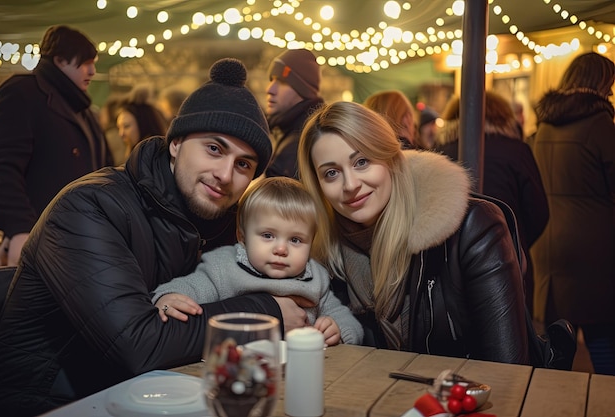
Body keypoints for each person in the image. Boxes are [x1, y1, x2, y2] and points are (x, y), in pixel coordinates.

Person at [0, 58, 308, 417]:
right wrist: (267, 313)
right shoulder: (90, 206)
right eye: (214, 149)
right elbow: (137, 344)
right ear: (175, 144)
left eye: (243, 164)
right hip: (50, 401)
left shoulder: (217, 219)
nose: (224, 174)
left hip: (157, 393)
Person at [297, 101, 530, 364]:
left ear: (389, 157)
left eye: (362, 161)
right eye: (331, 173)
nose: (350, 185)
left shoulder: (472, 226)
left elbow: (509, 367)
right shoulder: (326, 253)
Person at [152, 176, 363, 346]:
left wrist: (338, 329)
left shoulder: (315, 277)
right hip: (241, 369)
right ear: (242, 237)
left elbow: (344, 317)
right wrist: (169, 296)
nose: (281, 249)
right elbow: (190, 287)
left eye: (296, 240)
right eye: (268, 236)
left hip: (303, 370)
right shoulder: (224, 268)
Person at [0, 25, 113, 267]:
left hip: (86, 241)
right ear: (59, 60)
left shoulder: (85, 112)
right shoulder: (23, 93)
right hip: (41, 240)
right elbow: (2, 168)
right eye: (85, 62)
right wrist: (18, 229)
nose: (92, 70)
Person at [530, 52, 615, 375]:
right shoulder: (600, 125)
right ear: (599, 84)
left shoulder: (543, 126)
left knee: (558, 343)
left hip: (548, 243)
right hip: (595, 247)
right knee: (603, 336)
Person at [435, 91, 549, 314]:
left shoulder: (441, 153)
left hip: (452, 263)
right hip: (512, 258)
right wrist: (517, 239)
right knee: (514, 333)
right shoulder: (517, 151)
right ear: (503, 118)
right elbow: (538, 212)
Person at [265, 48, 324, 178]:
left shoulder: (303, 142)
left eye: (282, 82)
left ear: (304, 90)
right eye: (271, 80)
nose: (270, 89)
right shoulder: (292, 130)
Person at [116, 86, 169, 161]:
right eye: (119, 128)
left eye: (126, 126)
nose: (121, 134)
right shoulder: (137, 153)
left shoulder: (151, 157)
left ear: (143, 125)